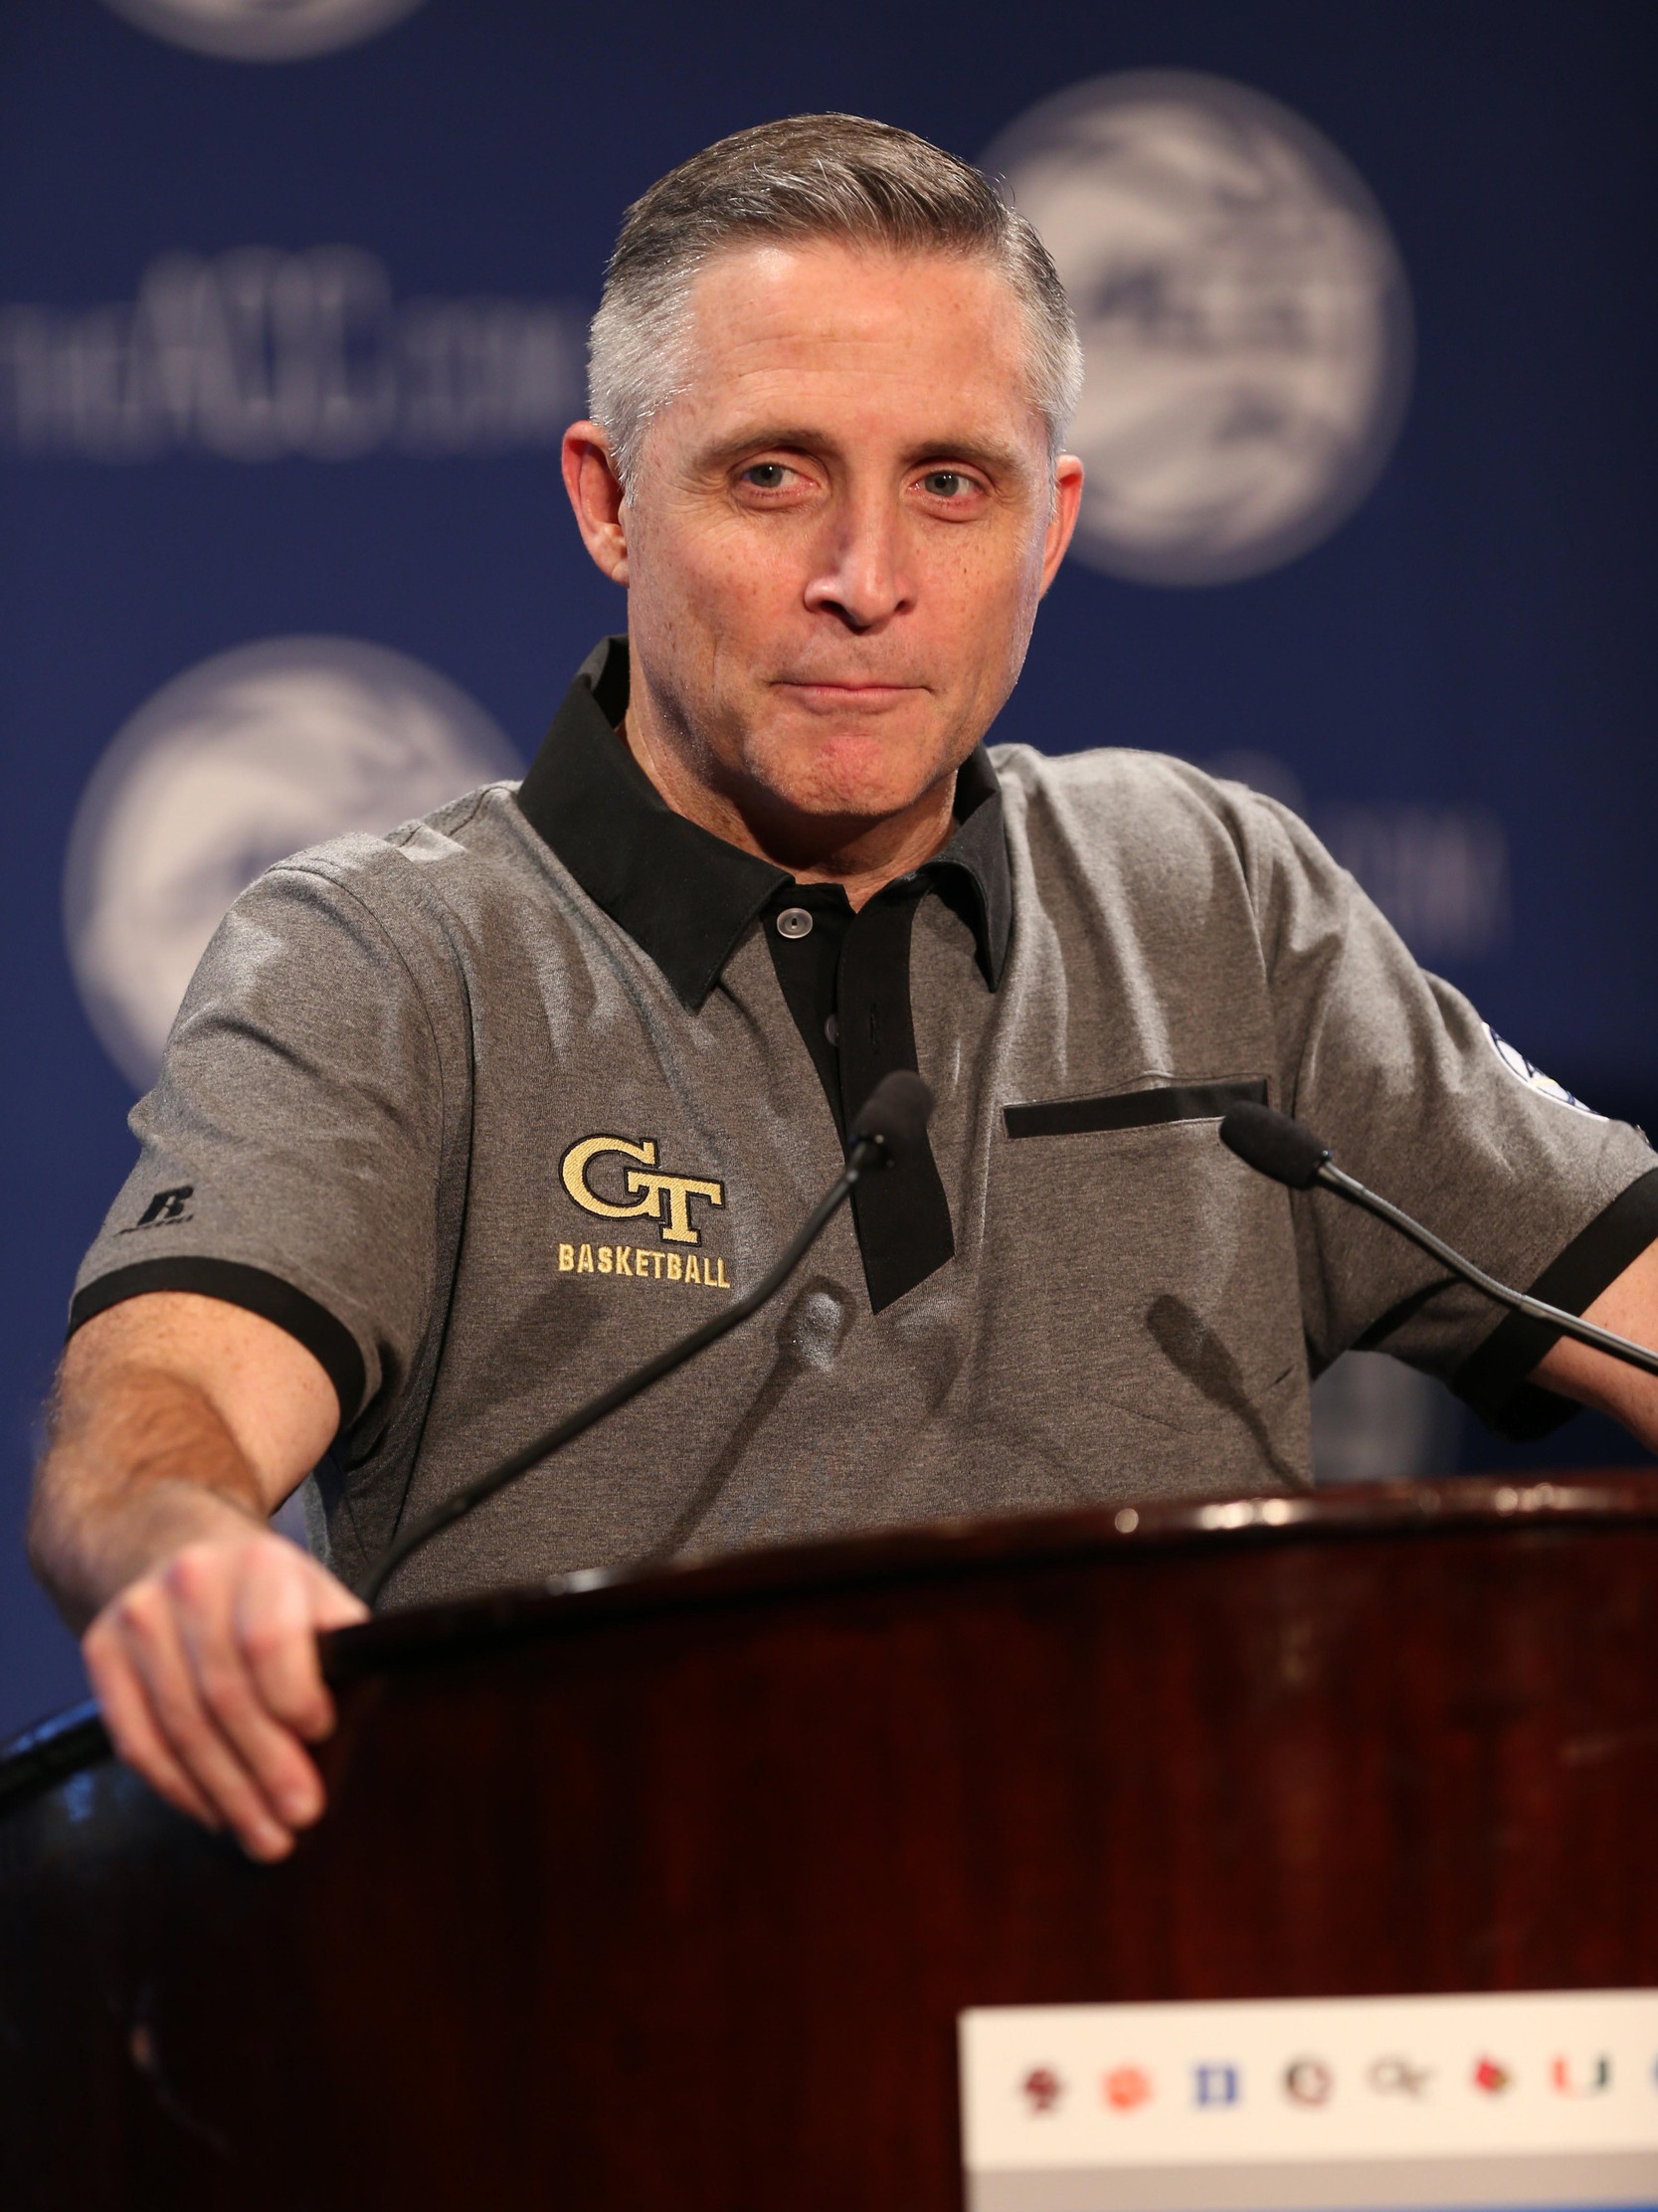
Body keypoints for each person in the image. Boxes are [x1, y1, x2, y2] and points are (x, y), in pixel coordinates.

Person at [28, 114, 1658, 1864]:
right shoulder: (396, 957)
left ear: (1053, 524)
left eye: (953, 485)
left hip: (1169, 1997)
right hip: (597, 2000)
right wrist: (185, 1550)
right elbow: (160, 1410)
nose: (867, 582)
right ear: (608, 500)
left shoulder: (1209, 895)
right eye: (774, 476)